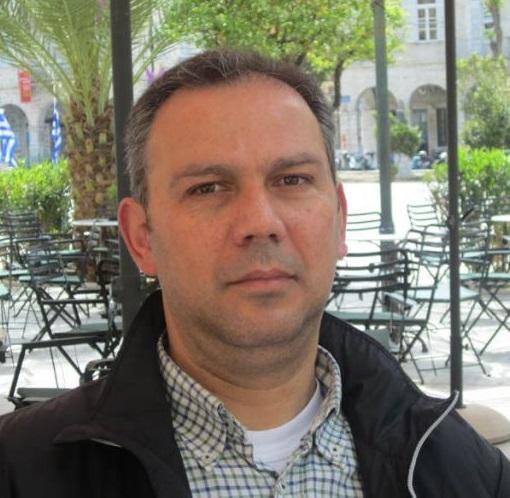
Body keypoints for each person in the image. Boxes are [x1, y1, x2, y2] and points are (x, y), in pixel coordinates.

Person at [0, 49, 509, 498]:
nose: (260, 223)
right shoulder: (18, 471)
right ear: (141, 238)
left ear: (339, 220)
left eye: (292, 179)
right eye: (207, 188)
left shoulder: (466, 473)